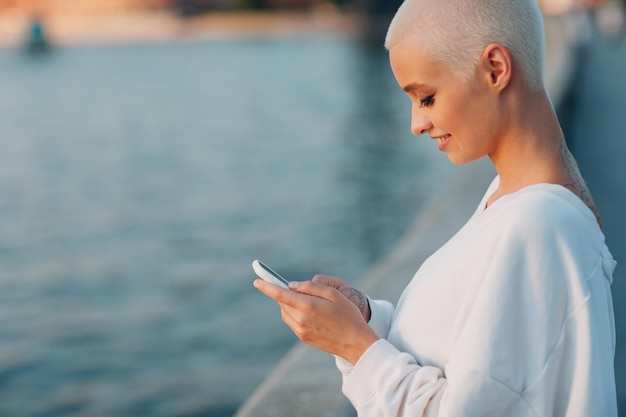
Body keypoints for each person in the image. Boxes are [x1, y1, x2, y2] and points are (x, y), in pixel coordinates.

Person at [253, 0, 618, 415]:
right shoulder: (514, 197)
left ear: (496, 69)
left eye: (426, 97)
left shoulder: (537, 227)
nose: (416, 124)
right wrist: (367, 319)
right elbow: (472, 357)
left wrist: (355, 347)